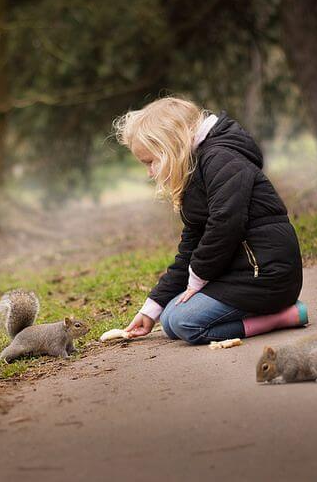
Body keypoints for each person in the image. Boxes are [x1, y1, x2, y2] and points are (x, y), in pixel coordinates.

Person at [113, 96, 307, 344]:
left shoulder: (222, 158)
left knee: (185, 322)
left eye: (150, 162)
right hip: (239, 274)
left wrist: (198, 276)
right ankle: (263, 313)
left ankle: (282, 317)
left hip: (267, 275)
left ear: (170, 146)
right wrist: (152, 307)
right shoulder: (198, 167)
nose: (149, 172)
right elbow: (191, 245)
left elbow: (226, 224)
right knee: (170, 319)